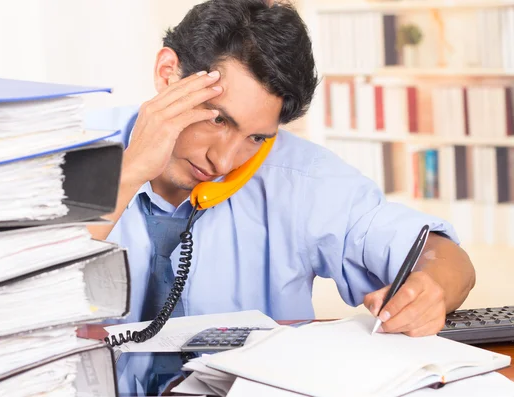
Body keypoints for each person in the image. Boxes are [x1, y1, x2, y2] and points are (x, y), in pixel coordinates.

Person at [85, 0, 476, 394]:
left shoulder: (299, 175)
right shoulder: (55, 154)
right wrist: (129, 172)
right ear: (168, 73)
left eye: (256, 137)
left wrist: (431, 288)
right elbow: (26, 293)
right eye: (217, 118)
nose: (223, 160)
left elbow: (442, 255)